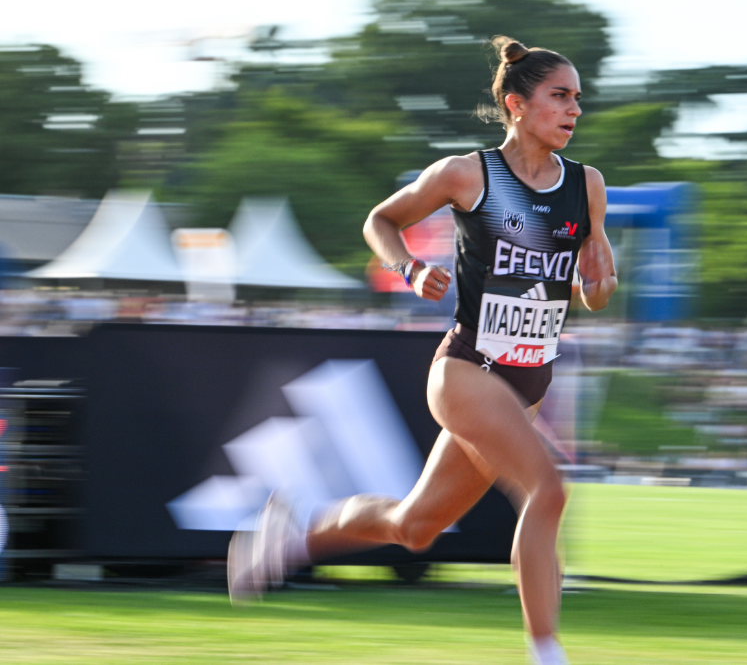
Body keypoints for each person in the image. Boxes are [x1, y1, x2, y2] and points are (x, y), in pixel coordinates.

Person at [226, 35, 617, 665]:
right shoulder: (468, 174)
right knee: (548, 490)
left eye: (578, 98)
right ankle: (546, 652)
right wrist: (408, 268)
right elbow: (380, 221)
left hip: (527, 383)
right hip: (467, 372)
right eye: (560, 96)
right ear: (517, 104)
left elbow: (594, 291)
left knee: (415, 527)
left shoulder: (587, 185)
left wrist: (598, 282)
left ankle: (296, 531)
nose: (575, 109)